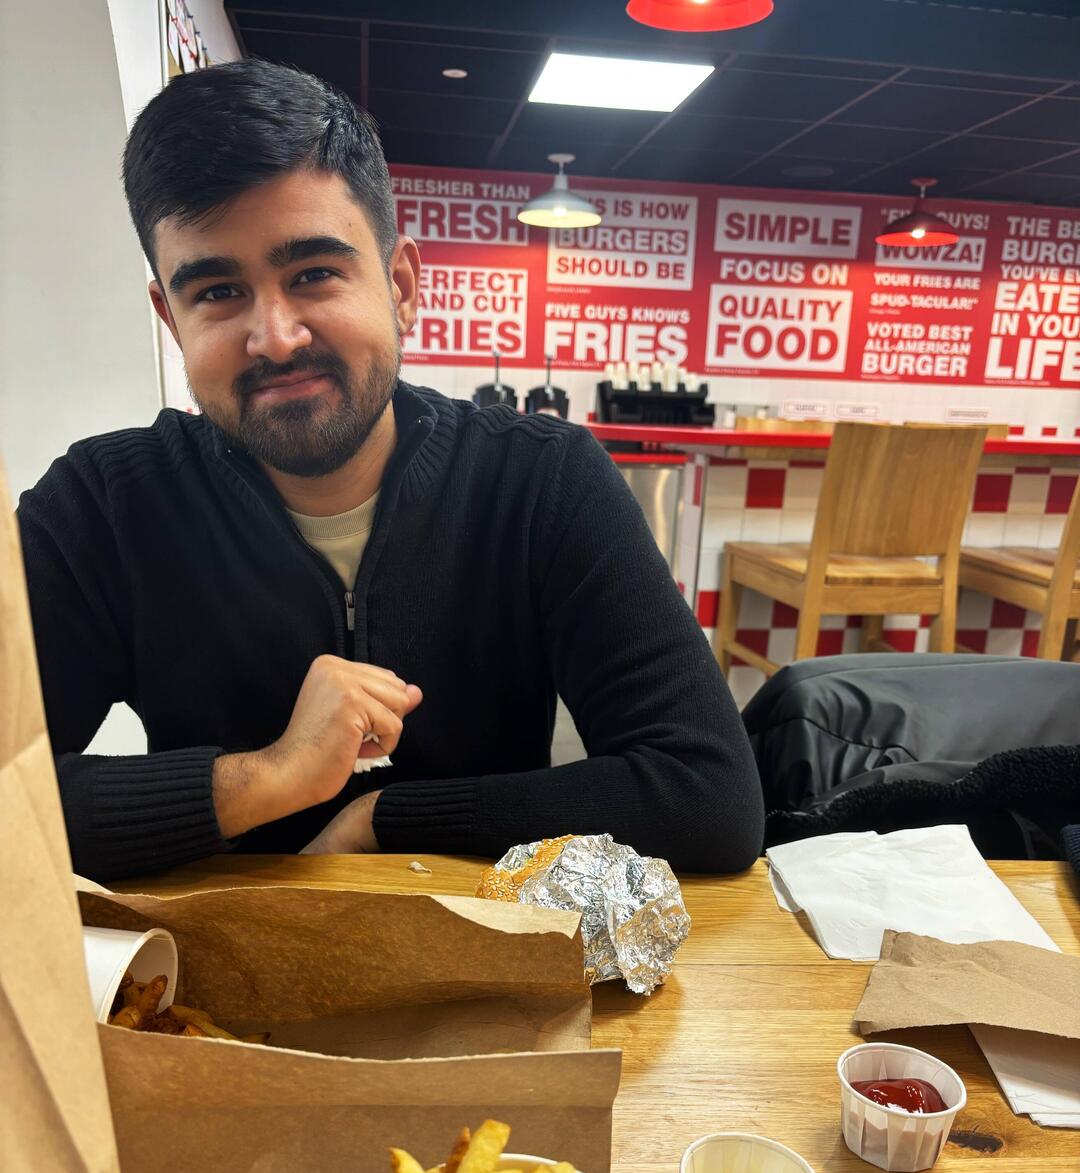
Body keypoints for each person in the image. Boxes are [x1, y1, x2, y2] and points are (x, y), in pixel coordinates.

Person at [16, 59, 763, 882]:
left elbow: (708, 795)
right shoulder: (101, 507)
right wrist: (267, 778)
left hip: (481, 950)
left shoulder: (541, 482)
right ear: (170, 316)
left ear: (400, 284)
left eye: (313, 274)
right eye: (219, 292)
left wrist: (381, 819)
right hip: (203, 955)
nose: (276, 337)